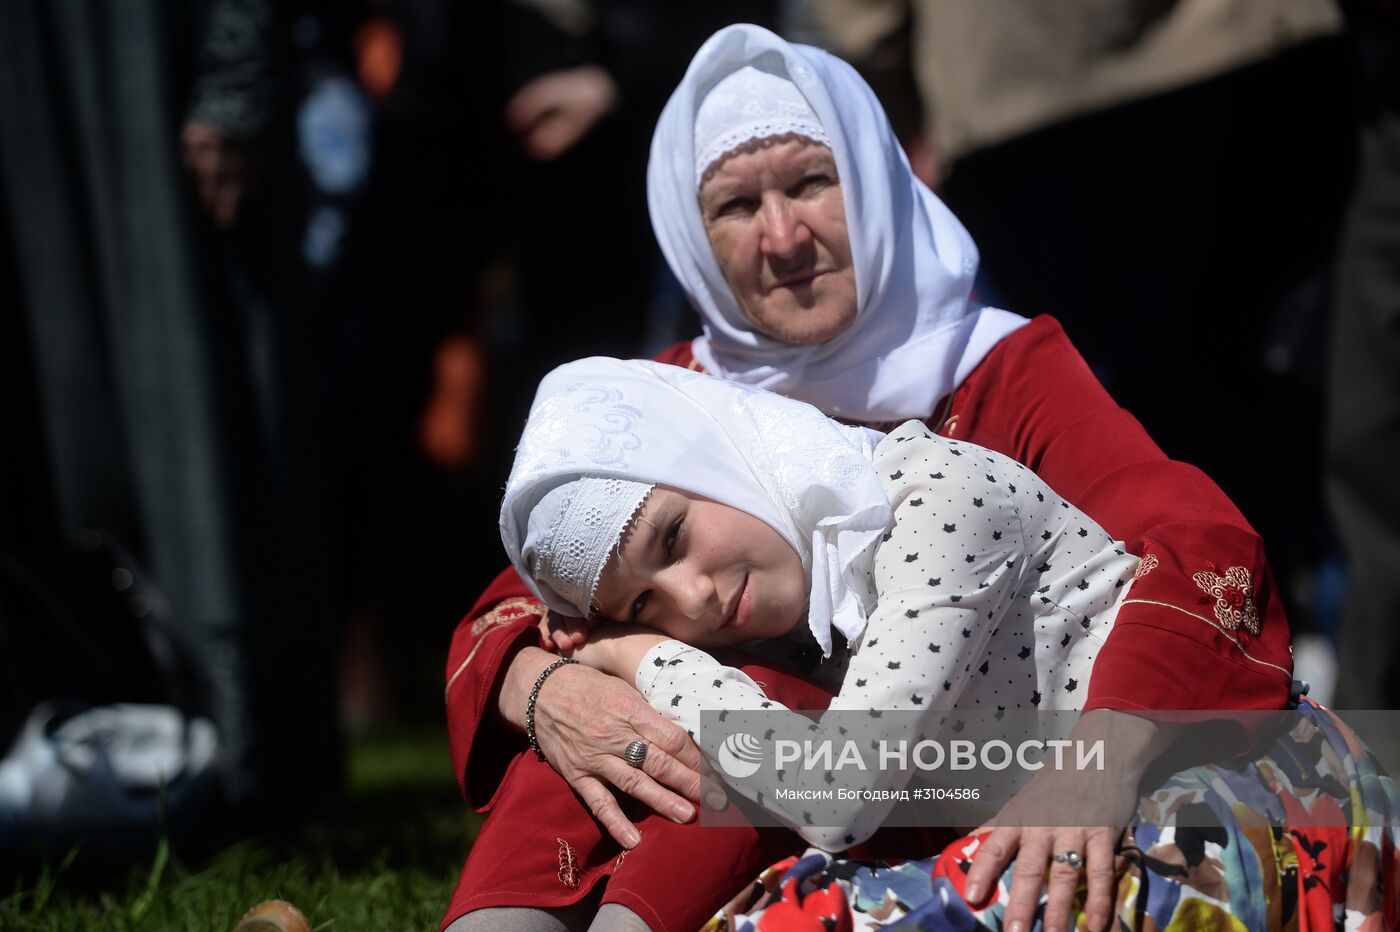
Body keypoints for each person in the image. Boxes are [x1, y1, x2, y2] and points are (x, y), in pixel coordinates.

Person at [441, 24, 1293, 932]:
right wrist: (549, 688)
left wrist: (1098, 764)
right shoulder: (670, 403)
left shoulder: (1002, 369)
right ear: (688, 237)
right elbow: (513, 611)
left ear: (880, 177)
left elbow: (1197, 546)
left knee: (738, 688)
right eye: (734, 207)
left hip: (939, 777)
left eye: (813, 181)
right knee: (614, 712)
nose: (783, 235)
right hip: (802, 778)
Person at [501, 356, 1398, 932]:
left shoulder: (927, 500)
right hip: (1086, 834)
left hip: (1259, 803)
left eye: (672, 536)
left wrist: (641, 657)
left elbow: (837, 796)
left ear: (721, 458)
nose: (694, 596)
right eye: (646, 607)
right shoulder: (810, 582)